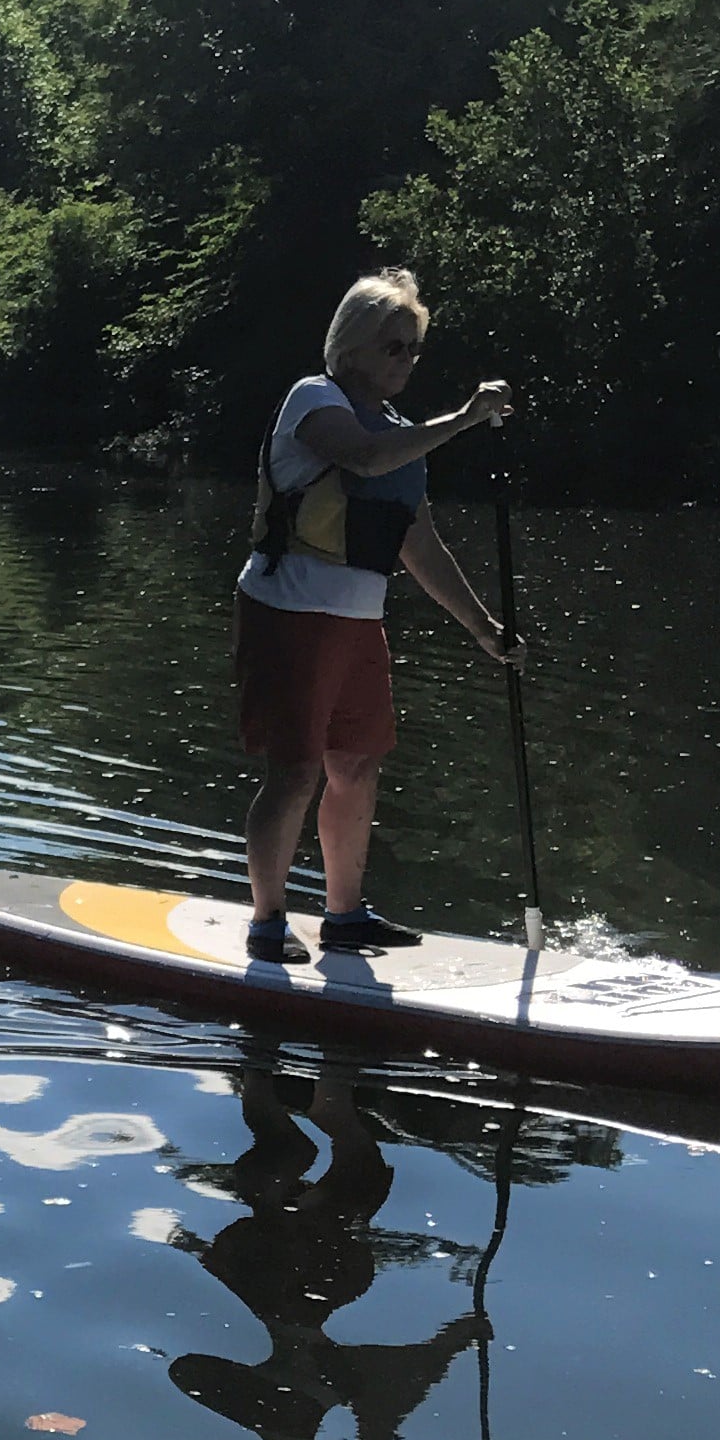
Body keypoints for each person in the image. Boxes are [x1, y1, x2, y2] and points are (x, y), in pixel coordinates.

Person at [236, 269, 521, 965]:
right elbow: (361, 460)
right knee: (296, 770)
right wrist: (460, 420)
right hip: (290, 610)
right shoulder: (314, 399)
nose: (406, 361)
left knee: (358, 764)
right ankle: (268, 922)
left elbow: (418, 543)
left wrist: (485, 630)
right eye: (395, 346)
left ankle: (344, 915)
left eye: (414, 349)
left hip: (358, 621)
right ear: (355, 343)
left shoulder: (403, 435)